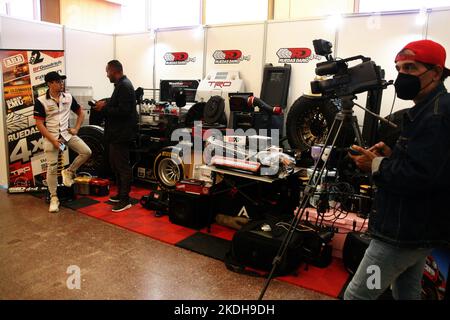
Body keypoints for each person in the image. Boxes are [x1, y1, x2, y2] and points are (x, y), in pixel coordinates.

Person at [343, 39, 450, 300]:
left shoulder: (437, 116)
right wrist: (391, 156)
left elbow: (420, 177)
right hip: (415, 231)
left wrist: (375, 164)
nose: (402, 75)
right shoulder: (427, 109)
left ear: (436, 73)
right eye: (399, 68)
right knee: (406, 292)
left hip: (399, 237)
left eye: (411, 68)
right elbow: (425, 163)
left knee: (358, 296)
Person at [34, 71, 92, 213]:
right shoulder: (41, 100)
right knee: (52, 168)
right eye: (58, 81)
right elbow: (39, 124)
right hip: (51, 136)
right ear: (50, 84)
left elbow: (81, 113)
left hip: (66, 135)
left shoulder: (68, 97)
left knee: (86, 152)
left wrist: (76, 128)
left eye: (61, 81)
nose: (61, 84)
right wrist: (53, 140)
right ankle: (54, 198)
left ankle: (69, 171)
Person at [93, 60, 137, 212]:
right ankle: (120, 194)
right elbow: (117, 104)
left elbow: (124, 111)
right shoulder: (121, 85)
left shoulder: (124, 86)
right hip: (116, 134)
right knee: (115, 165)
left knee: (122, 167)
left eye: (107, 72)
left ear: (114, 71)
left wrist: (103, 109)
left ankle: (125, 200)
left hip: (121, 135)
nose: (107, 75)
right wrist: (105, 103)